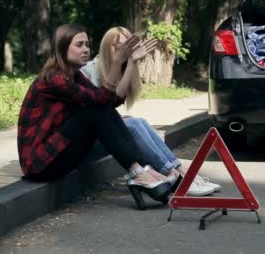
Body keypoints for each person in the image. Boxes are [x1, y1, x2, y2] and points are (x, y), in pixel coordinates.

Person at [17, 23, 171, 210]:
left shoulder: (75, 76)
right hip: (41, 164)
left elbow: (109, 101)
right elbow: (100, 101)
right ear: (62, 47)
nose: (85, 50)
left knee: (102, 108)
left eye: (87, 45)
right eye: (79, 45)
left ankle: (141, 170)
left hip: (59, 153)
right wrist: (116, 62)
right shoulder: (54, 78)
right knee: (93, 110)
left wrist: (129, 62)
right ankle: (138, 172)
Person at [80, 26, 221, 196]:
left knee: (138, 122)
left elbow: (112, 103)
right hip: (83, 144)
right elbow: (95, 113)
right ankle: (174, 175)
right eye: (116, 46)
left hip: (103, 136)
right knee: (132, 125)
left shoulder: (121, 69)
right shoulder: (89, 72)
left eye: (127, 45)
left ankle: (180, 170)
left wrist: (132, 63)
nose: (122, 50)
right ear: (105, 47)